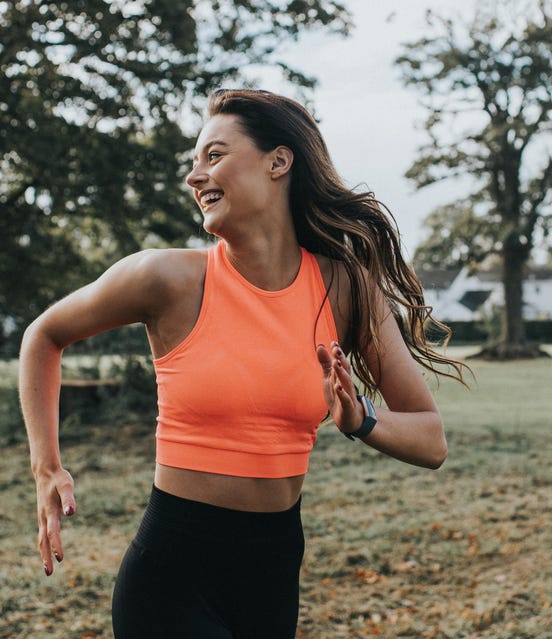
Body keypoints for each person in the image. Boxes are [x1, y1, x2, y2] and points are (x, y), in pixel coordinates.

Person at [19, 88, 466, 638]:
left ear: (279, 162)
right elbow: (43, 335)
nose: (194, 176)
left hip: (272, 574)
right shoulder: (165, 279)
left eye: (214, 155)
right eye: (193, 163)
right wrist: (46, 467)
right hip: (171, 578)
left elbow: (431, 441)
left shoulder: (346, 287)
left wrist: (360, 420)